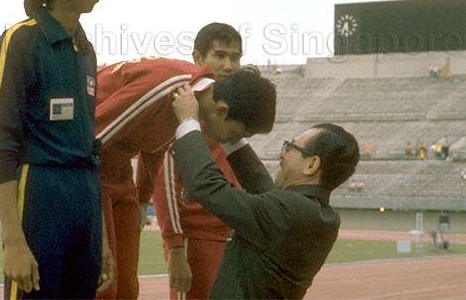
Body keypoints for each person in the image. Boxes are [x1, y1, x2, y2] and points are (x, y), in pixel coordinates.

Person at [0, 0, 113, 300]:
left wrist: (99, 237)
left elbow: (90, 147)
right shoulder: (21, 41)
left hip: (84, 203)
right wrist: (13, 242)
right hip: (40, 197)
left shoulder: (85, 50)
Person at [96, 61, 276, 300]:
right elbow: (90, 144)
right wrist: (99, 235)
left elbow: (153, 146)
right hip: (88, 169)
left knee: (127, 288)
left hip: (118, 172)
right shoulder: (166, 89)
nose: (230, 141)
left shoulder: (190, 103)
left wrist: (141, 199)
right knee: (104, 283)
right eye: (234, 135)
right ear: (221, 110)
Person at [169, 85, 359, 300]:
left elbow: (210, 188)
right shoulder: (316, 213)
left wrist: (188, 122)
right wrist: (229, 134)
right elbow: (262, 187)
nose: (282, 154)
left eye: (291, 147)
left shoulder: (291, 212)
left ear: (311, 165)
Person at [149, 23, 244, 300]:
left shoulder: (225, 107)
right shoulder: (183, 105)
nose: (229, 65)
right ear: (199, 58)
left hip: (228, 232)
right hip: (195, 237)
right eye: (220, 55)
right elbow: (162, 177)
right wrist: (176, 248)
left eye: (235, 57)